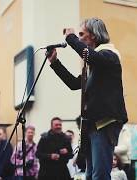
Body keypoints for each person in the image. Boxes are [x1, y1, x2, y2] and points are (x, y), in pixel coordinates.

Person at [47, 17, 128, 180]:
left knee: (99, 176)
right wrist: (55, 62)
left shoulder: (109, 55)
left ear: (94, 35)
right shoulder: (95, 65)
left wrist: (71, 38)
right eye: (78, 35)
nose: (80, 37)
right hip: (92, 125)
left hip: (105, 123)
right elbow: (74, 83)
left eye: (82, 34)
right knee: (90, 175)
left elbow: (90, 56)